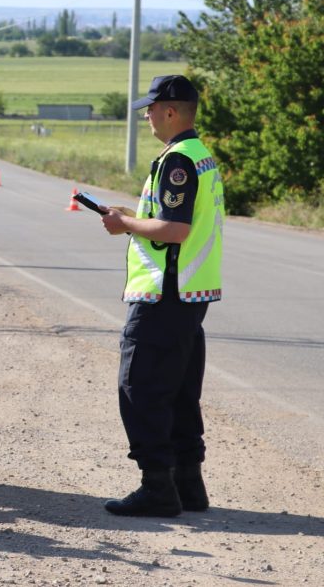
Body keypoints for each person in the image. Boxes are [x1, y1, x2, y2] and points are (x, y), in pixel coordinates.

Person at [97, 74, 224, 517]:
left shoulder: (178, 162)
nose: (146, 116)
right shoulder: (199, 154)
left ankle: (157, 488)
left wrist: (126, 225)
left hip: (164, 295)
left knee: (141, 389)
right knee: (179, 391)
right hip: (189, 294)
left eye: (150, 109)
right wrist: (135, 217)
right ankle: (188, 484)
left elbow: (175, 230)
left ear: (171, 111)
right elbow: (172, 221)